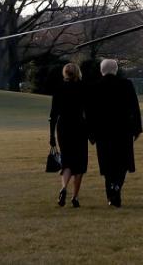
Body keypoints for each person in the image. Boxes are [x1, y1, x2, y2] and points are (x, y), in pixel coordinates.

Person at [87, 59, 142, 208]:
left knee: (107, 165)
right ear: (116, 69)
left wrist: (91, 133)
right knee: (123, 163)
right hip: (123, 131)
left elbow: (90, 113)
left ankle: (111, 195)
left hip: (103, 133)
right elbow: (134, 108)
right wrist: (137, 129)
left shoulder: (94, 87)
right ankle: (117, 186)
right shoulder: (126, 85)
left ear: (101, 70)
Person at [48, 63, 89, 208]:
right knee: (80, 164)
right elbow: (88, 112)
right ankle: (75, 197)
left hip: (63, 127)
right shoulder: (83, 87)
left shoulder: (59, 88)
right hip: (79, 126)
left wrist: (52, 136)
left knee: (67, 161)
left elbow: (53, 115)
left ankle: (64, 188)